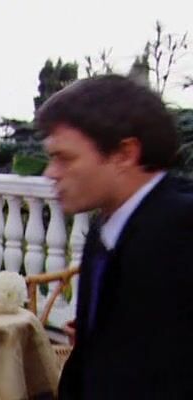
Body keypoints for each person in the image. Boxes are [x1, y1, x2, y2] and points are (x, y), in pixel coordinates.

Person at [37, 74, 193, 399]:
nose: (50, 173)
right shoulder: (104, 229)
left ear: (124, 154)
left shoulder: (181, 231)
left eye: (64, 158)